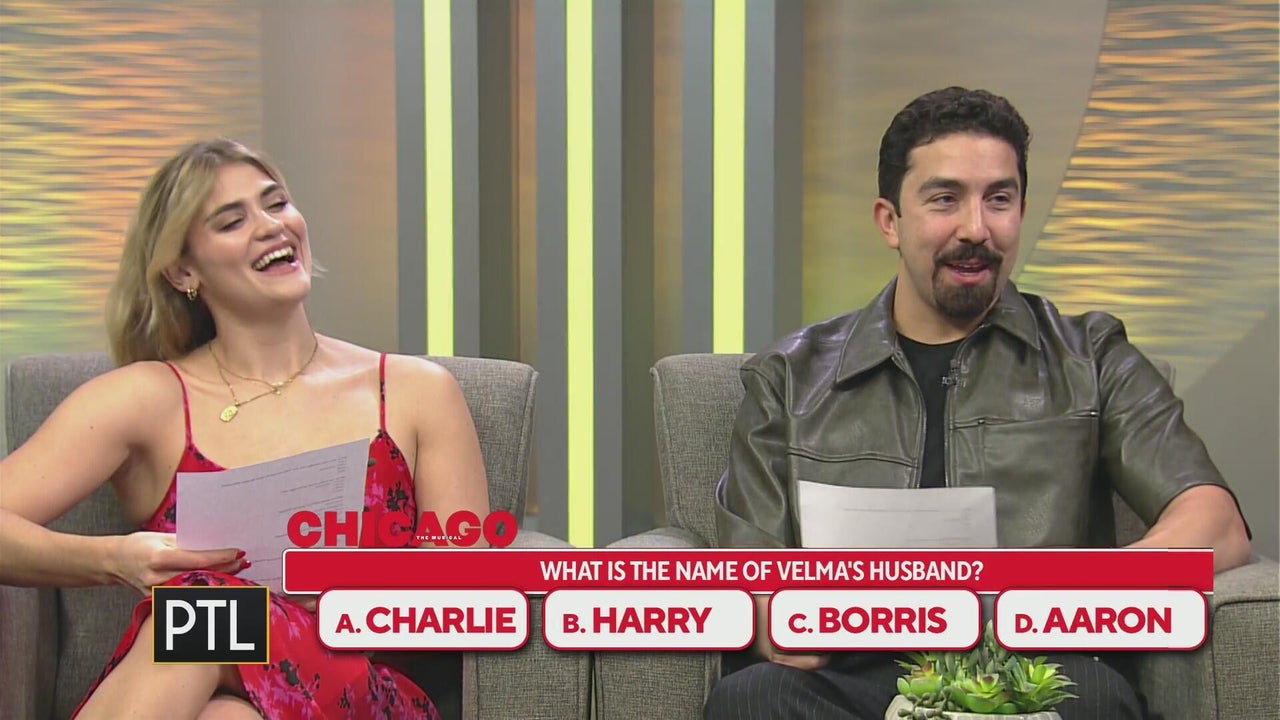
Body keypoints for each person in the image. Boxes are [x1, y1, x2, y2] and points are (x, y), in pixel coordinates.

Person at [706, 87, 1252, 720]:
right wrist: (775, 616)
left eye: (999, 199)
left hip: (1031, 672)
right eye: (945, 199)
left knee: (1095, 698)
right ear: (890, 221)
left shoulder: (1092, 356)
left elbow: (1215, 522)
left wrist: (1070, 594)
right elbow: (750, 575)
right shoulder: (789, 377)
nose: (976, 228)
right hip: (851, 680)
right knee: (753, 699)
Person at [0, 138, 491, 719]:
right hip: (205, 690)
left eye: (276, 204)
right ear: (184, 270)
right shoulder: (147, 399)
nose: (271, 226)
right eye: (232, 222)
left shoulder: (415, 391)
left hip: (368, 692)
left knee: (209, 609)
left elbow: (468, 596)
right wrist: (114, 559)